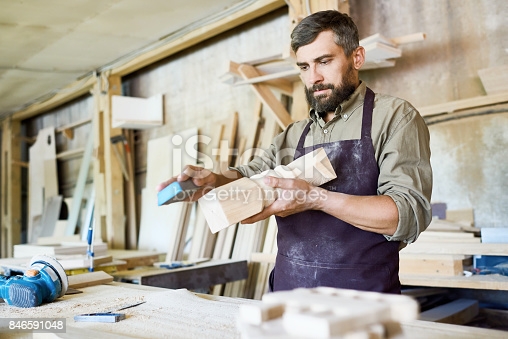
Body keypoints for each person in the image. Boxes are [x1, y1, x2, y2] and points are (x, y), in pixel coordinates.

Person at [157, 10, 432, 294]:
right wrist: (213, 180)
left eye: (324, 62)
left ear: (357, 57)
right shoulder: (294, 134)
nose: (314, 77)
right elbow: (250, 177)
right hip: (290, 295)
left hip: (362, 300)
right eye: (304, 67)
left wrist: (316, 198)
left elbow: (406, 214)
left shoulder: (394, 117)